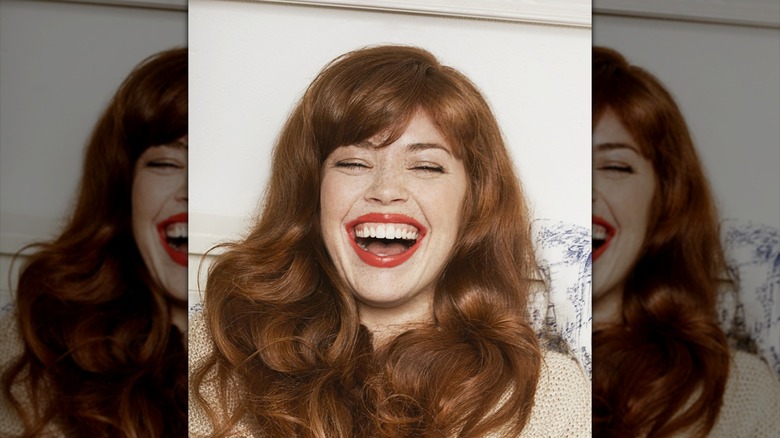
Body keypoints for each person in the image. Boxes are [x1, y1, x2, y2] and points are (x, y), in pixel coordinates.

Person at [189, 45, 590, 437]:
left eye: (426, 166)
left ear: (473, 203)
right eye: (353, 162)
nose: (385, 190)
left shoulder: (551, 398)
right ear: (313, 193)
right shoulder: (211, 352)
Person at [592, 46, 780, 437]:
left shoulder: (738, 394)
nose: (584, 190)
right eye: (564, 162)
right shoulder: (475, 374)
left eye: (614, 166)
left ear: (664, 201)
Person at [0, 47, 188, 437]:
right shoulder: (34, 349)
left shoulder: (300, 356)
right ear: (123, 190)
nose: (192, 191)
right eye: (166, 163)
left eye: (214, 167)